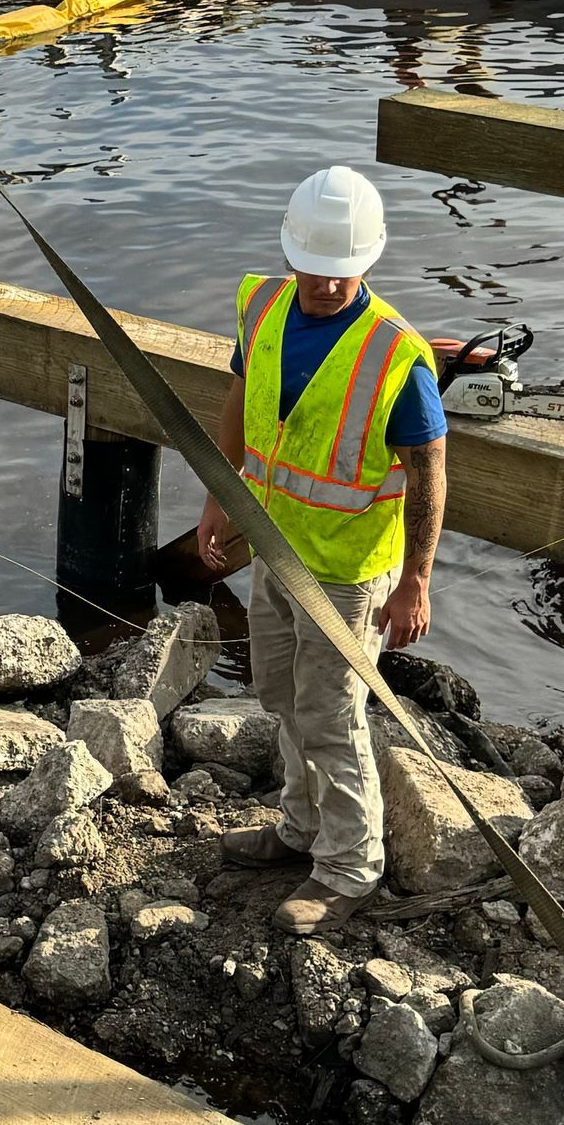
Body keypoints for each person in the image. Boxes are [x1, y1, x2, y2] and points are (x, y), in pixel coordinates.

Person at [196, 168, 447, 937]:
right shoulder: (265, 306)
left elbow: (429, 471)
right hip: (274, 547)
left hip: (348, 572)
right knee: (278, 693)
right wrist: (217, 493)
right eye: (317, 269)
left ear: (366, 263)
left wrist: (416, 583)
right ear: (292, 253)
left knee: (333, 716)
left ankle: (348, 868)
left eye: (345, 273)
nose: (330, 286)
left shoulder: (395, 356)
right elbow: (241, 399)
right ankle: (299, 829)